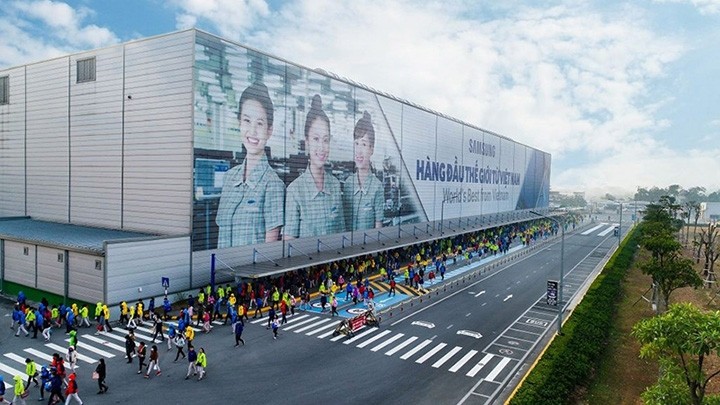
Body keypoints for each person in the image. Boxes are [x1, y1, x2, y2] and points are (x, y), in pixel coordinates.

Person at [216, 82, 285, 248]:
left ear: (269, 130)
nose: (252, 131)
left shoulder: (273, 185)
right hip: (222, 271)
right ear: (239, 123)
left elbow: (269, 252)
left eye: (260, 123)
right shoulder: (229, 178)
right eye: (247, 121)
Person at [284, 94, 345, 239]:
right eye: (316, 139)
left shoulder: (335, 185)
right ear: (307, 142)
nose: (321, 147)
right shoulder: (295, 190)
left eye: (326, 140)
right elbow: (289, 243)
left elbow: (342, 234)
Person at [344, 111, 384, 231]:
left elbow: (378, 227)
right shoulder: (347, 184)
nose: (359, 151)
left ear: (371, 149)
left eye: (364, 144)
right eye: (356, 144)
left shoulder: (377, 187)